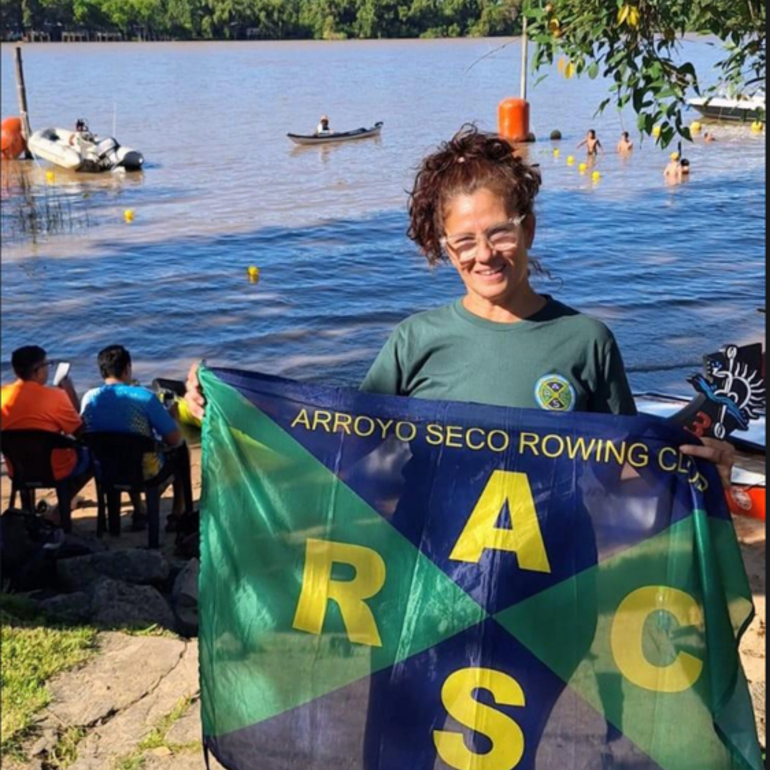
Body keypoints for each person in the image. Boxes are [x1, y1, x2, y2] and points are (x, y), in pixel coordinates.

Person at [184, 125, 734, 485]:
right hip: (434, 582)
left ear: (530, 229)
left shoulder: (586, 341)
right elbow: (338, 444)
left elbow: (623, 471)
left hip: (555, 589)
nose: (484, 255)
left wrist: (698, 466)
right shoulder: (416, 341)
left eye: (500, 233)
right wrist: (222, 412)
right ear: (444, 250)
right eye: (463, 242)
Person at [81, 345, 195, 532]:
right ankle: (177, 514)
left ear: (102, 371)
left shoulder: (89, 398)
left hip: (106, 470)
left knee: (127, 447)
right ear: (127, 369)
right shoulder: (144, 397)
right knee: (180, 451)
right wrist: (172, 418)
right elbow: (173, 439)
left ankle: (139, 510)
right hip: (144, 473)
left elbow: (86, 430)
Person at [1, 345, 92, 510]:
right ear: (37, 371)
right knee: (91, 456)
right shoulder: (56, 397)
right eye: (47, 365)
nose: (48, 370)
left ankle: (27, 510)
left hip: (18, 468)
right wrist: (69, 393)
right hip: (55, 469)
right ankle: (62, 505)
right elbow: (81, 433)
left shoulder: (2, 395)